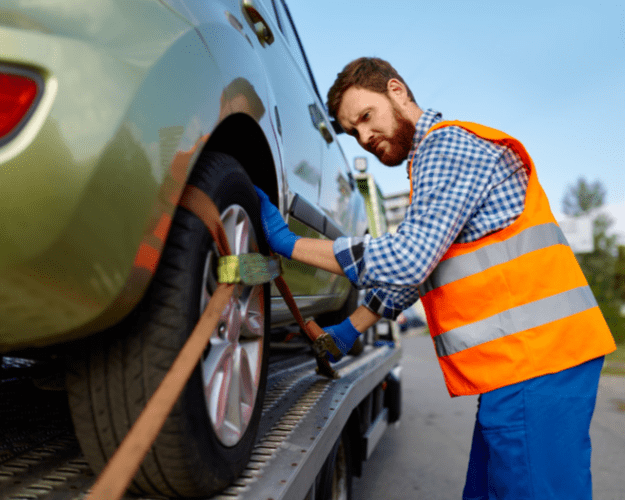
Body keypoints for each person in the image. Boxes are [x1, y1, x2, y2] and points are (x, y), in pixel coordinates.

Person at [254, 57, 616, 499]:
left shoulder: (446, 148)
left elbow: (408, 259)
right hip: (526, 364)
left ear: (397, 92)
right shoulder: (431, 163)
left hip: (537, 362)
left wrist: (289, 244)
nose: (364, 138)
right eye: (353, 133)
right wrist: (351, 328)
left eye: (365, 117)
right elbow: (419, 273)